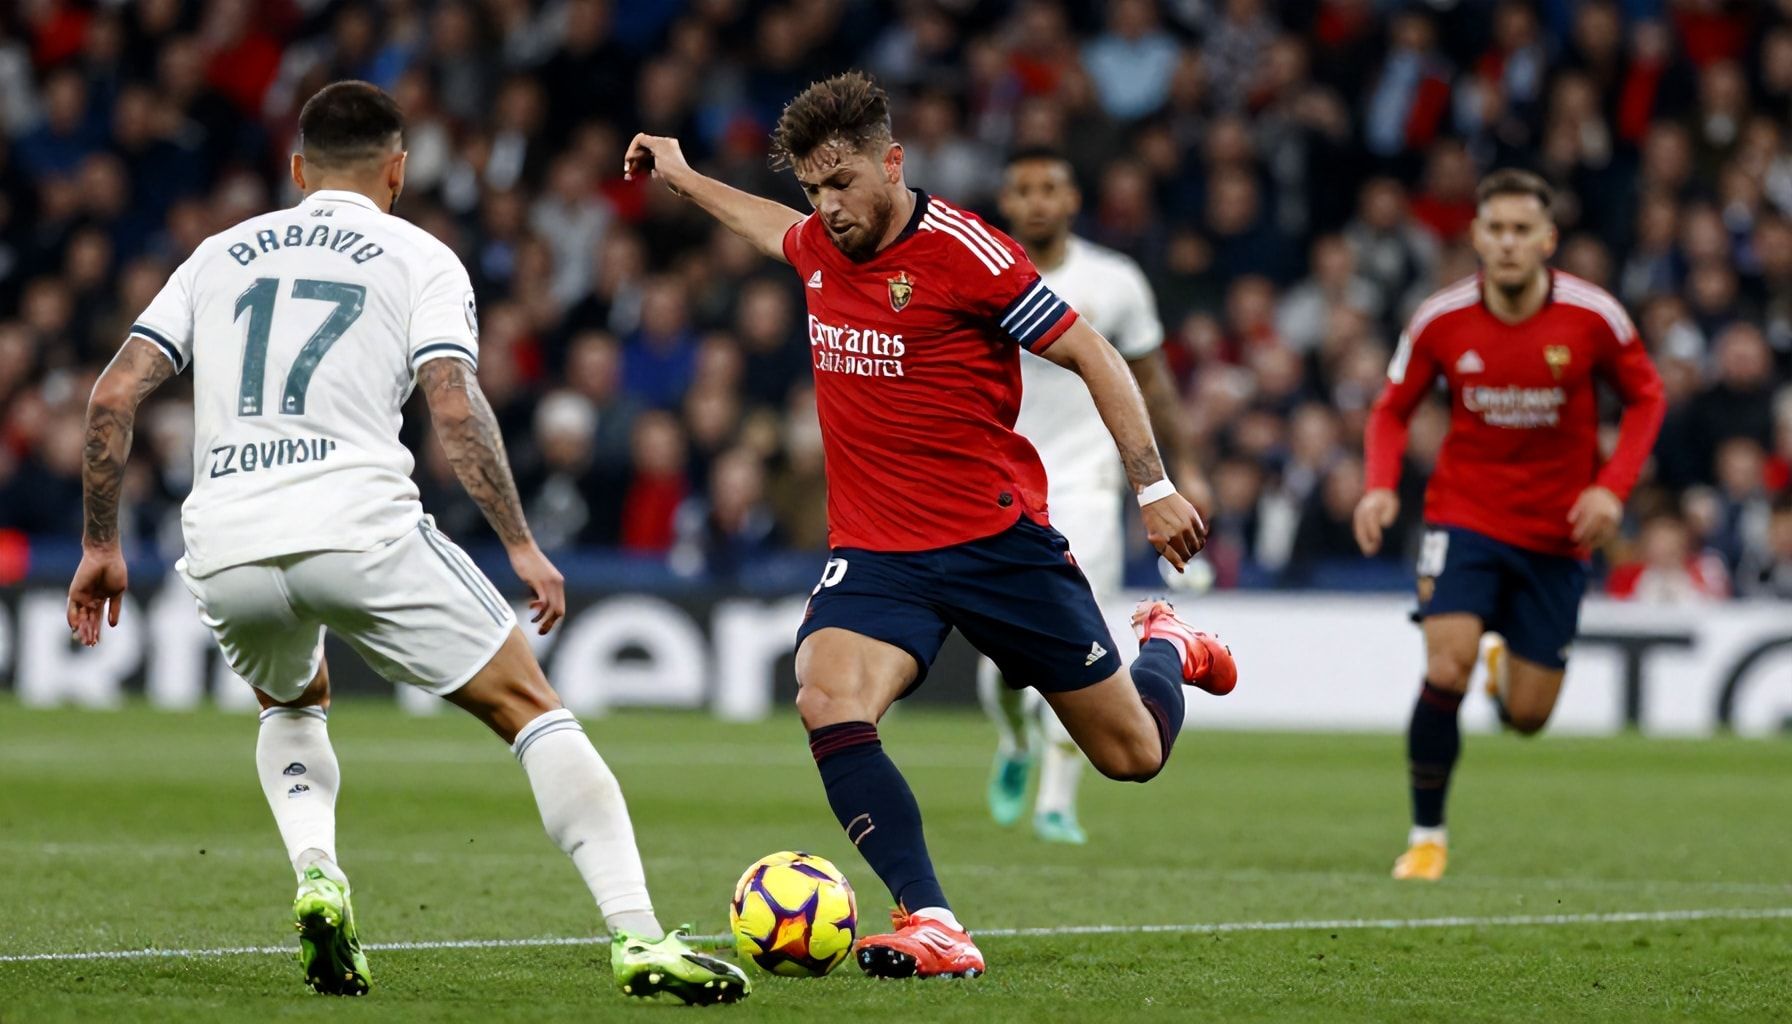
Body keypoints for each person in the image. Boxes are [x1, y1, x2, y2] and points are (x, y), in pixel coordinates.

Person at [64, 82, 748, 1006]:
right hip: (358, 525)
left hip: (226, 536)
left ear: (298, 169)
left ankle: (317, 873)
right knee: (532, 709)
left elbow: (111, 396)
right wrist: (520, 543)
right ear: (397, 170)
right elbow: (456, 407)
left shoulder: (215, 255)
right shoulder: (422, 255)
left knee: (290, 702)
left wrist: (99, 545)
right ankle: (636, 937)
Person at [624, 71, 1237, 980]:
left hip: (998, 545)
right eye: (813, 191)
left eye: (843, 184)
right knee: (826, 697)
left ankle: (1166, 645)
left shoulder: (970, 255)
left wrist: (1153, 487)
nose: (827, 209)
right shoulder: (817, 245)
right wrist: (679, 173)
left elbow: (1094, 352)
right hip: (877, 552)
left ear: (893, 162)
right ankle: (934, 919)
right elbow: (764, 225)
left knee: (1131, 755)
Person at [1354, 169, 1666, 882]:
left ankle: (1505, 671)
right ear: (1476, 238)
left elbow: (1647, 398)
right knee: (1444, 666)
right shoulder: (1440, 319)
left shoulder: (1595, 318)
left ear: (1548, 240)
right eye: (1495, 229)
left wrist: (1612, 489)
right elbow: (1390, 409)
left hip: (1558, 534)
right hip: (1464, 516)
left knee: (1528, 717)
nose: (1508, 243)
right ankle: (1426, 837)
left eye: (1523, 230)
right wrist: (1377, 488)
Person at [980, 147, 1210, 845]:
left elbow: (1151, 382)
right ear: (1008, 202)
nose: (1039, 201)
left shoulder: (1115, 281)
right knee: (1005, 668)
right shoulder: (981, 273)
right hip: (998, 486)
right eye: (1025, 189)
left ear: (1073, 198)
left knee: (1082, 639)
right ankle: (1016, 738)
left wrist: (1181, 470)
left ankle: (1057, 800)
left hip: (1085, 484)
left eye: (1052, 186)